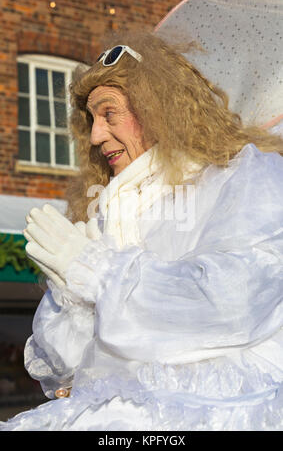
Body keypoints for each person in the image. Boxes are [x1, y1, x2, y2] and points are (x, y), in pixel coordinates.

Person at [1, 28, 283, 431]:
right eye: (91, 120)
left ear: (158, 107)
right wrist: (74, 296)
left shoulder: (246, 177)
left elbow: (234, 299)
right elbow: (62, 368)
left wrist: (97, 272)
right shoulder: (108, 210)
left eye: (109, 113)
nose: (97, 136)